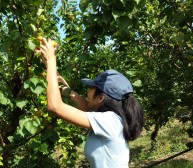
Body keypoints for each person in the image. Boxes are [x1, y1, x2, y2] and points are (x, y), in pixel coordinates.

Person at [36, 38, 144, 168]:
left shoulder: (109, 121)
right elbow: (72, 95)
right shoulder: (111, 119)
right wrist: (48, 64)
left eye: (92, 88)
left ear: (100, 98)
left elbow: (55, 106)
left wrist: (52, 60)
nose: (88, 91)